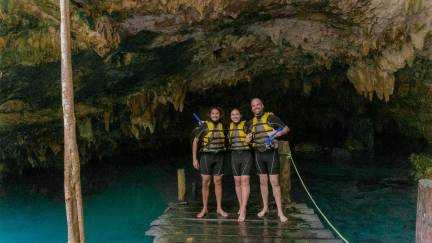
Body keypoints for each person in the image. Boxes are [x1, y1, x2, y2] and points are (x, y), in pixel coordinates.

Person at [245, 98, 289, 222]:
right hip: (258, 155)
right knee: (263, 183)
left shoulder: (271, 118)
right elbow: (249, 139)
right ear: (251, 108)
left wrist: (276, 134)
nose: (256, 107)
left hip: (271, 154)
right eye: (253, 106)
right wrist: (248, 140)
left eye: (258, 104)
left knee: (274, 183)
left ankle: (280, 212)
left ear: (262, 106)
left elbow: (286, 129)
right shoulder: (249, 123)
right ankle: (265, 208)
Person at [192, 107, 229, 218]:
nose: (215, 115)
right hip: (206, 156)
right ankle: (205, 208)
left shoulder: (224, 126)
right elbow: (195, 141)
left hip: (219, 156)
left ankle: (219, 208)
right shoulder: (203, 126)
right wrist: (194, 159)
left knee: (218, 182)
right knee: (205, 182)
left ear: (220, 115)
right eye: (213, 113)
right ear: (210, 115)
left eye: (217, 113)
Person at [228, 108, 253, 222]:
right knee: (237, 181)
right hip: (234, 155)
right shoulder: (227, 126)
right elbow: (214, 123)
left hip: (246, 154)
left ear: (241, 115)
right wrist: (202, 123)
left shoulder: (247, 124)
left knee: (245, 181)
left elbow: (257, 121)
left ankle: (243, 210)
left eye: (237, 114)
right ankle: (241, 205)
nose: (235, 116)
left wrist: (270, 115)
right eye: (233, 114)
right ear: (230, 116)